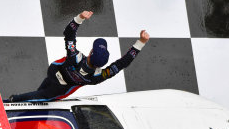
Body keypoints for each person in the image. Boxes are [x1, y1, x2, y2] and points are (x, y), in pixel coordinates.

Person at [9, 10, 149, 102]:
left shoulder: (74, 56)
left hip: (53, 72)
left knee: (40, 93)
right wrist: (141, 43)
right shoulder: (98, 77)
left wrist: (80, 18)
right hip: (61, 89)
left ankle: (11, 102)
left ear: (90, 53)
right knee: (41, 97)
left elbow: (69, 33)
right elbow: (121, 64)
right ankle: (14, 100)